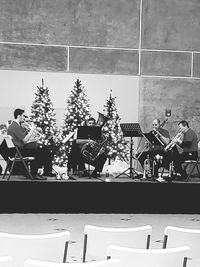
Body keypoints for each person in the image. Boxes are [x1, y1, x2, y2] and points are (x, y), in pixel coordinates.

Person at [7, 108, 54, 180]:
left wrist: (26, 130)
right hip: (19, 151)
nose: (24, 117)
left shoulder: (16, 125)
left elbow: (23, 137)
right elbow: (25, 140)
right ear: (19, 116)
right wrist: (32, 130)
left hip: (19, 149)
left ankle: (45, 171)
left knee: (43, 149)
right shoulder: (14, 126)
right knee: (38, 150)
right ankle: (34, 174)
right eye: (23, 115)